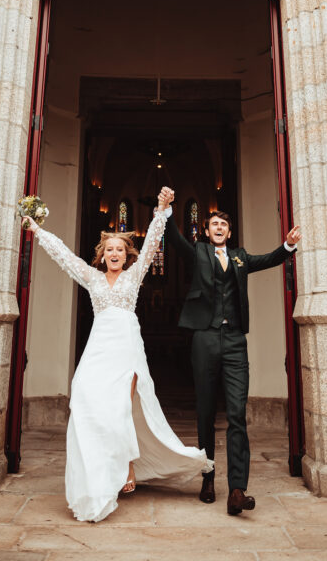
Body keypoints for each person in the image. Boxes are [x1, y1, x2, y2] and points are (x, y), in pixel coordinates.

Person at [22, 186, 211, 523]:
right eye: (109, 249)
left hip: (126, 344)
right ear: (102, 254)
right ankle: (94, 475)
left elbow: (153, 241)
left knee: (122, 404)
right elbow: (64, 255)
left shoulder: (134, 277)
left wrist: (161, 208)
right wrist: (37, 231)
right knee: (83, 398)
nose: (114, 253)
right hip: (99, 347)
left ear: (126, 256)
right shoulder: (93, 278)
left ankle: (126, 465)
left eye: (119, 249)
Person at [165, 202, 301, 515]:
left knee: (237, 413)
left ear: (229, 231)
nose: (218, 228)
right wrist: (167, 211)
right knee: (205, 412)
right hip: (205, 338)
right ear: (207, 229)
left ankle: (237, 490)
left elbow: (269, 259)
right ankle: (208, 478)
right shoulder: (198, 252)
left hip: (236, 340)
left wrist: (288, 246)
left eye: (223, 225)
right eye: (213, 224)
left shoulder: (240, 257)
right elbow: (175, 240)